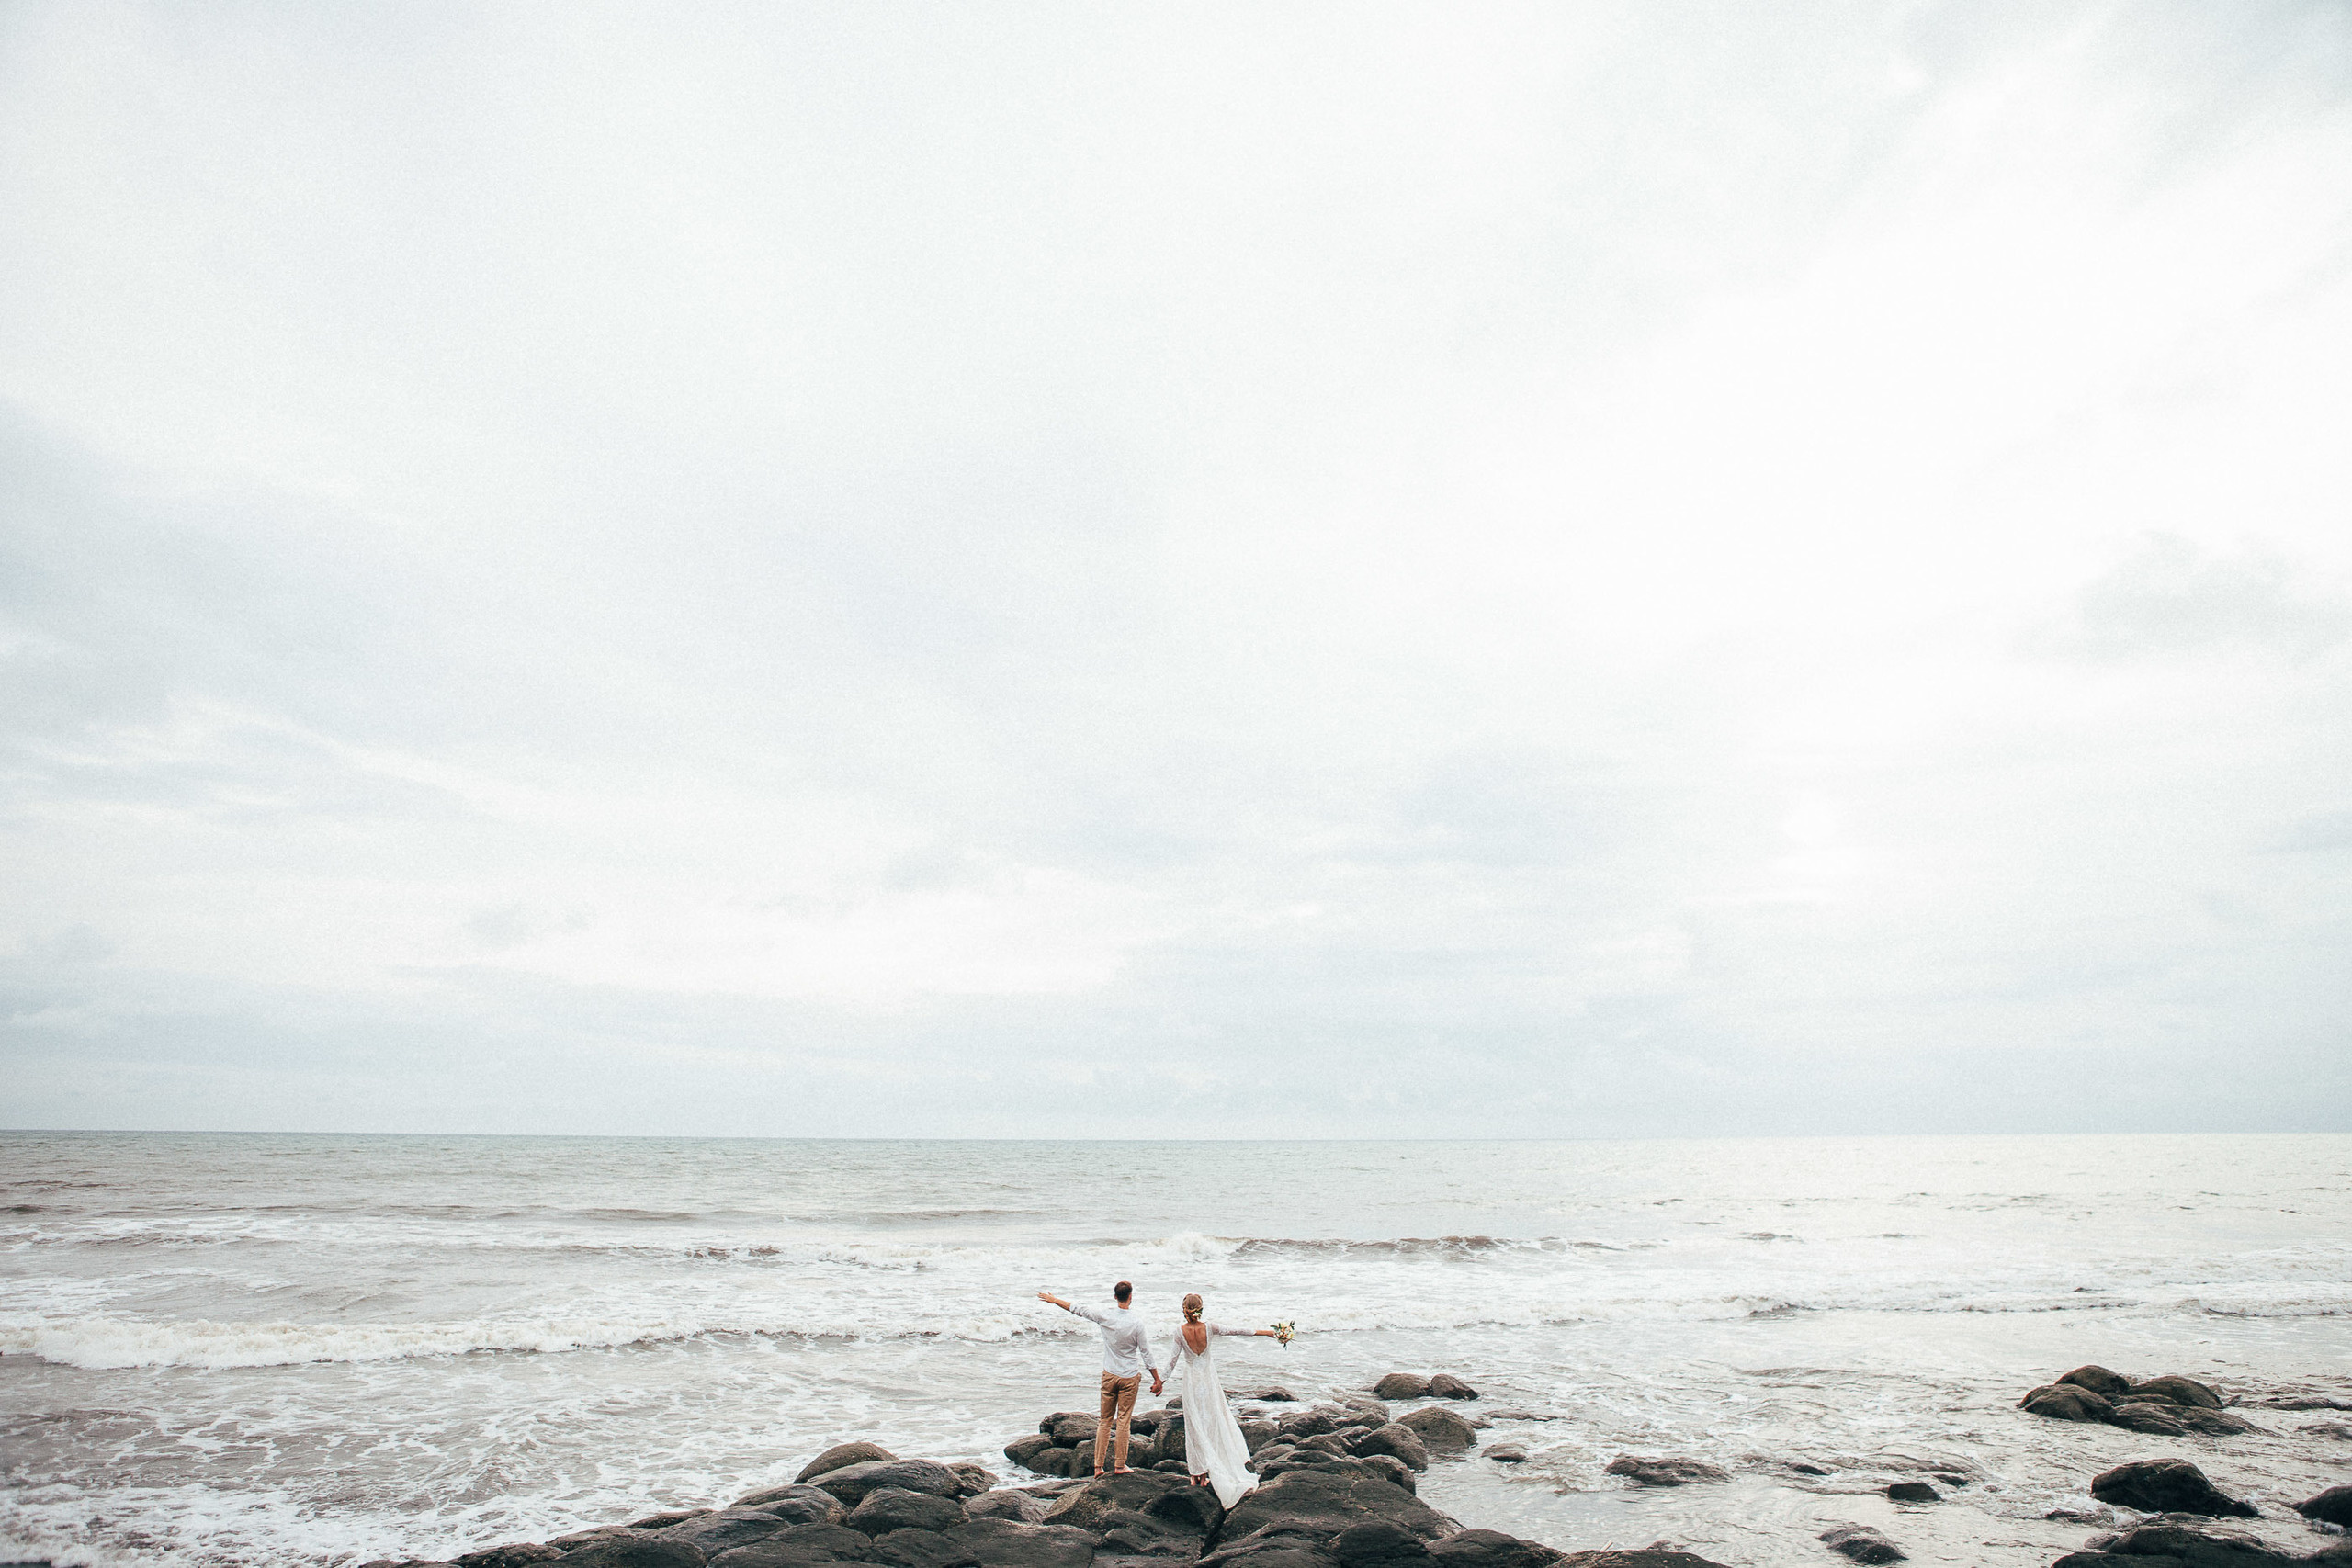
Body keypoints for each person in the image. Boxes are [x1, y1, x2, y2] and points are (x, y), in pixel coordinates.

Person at [1165, 1292, 1282, 1506]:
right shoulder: (1210, 1328)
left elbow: (1172, 1361)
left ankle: (1197, 1475)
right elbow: (1238, 1330)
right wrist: (1267, 1333)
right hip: (1209, 1381)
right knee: (1212, 1422)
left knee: (1195, 1425)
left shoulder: (1179, 1333)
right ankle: (1210, 1469)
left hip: (1192, 1382)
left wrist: (1160, 1381)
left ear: (1184, 1310)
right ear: (1201, 1309)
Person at [1036, 1280, 1164, 1475]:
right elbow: (1146, 1353)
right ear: (1131, 1296)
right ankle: (1120, 1465)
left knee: (1104, 1421)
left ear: (1115, 1296)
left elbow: (1077, 1309)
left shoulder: (1105, 1315)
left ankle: (1098, 1467)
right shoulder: (1136, 1323)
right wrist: (1157, 1379)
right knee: (1123, 1421)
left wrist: (1054, 1300)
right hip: (1129, 1377)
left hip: (1109, 1375)